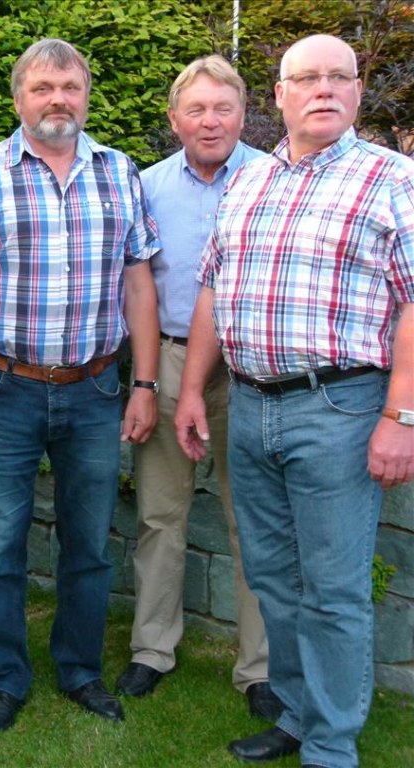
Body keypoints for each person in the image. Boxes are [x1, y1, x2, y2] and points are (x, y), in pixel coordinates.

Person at [174, 34, 414, 767]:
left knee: (334, 591)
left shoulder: (393, 179)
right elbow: (214, 288)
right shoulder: (251, 180)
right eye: (307, 78)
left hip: (339, 409)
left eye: (340, 76)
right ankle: (298, 714)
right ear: (279, 95)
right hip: (251, 406)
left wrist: (401, 415)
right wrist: (192, 391)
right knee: (274, 579)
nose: (324, 89)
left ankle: (331, 747)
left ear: (357, 91)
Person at [0, 38, 160, 732]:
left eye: (70, 87)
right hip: (5, 389)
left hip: (95, 391)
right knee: (1, 550)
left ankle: (81, 672)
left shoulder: (120, 172)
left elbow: (139, 284)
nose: (58, 99)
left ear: (86, 95)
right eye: (42, 88)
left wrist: (144, 384)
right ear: (18, 98)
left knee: (89, 546)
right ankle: (6, 679)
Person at [115, 55, 283, 722]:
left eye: (223, 108)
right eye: (197, 109)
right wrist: (144, 378)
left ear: (244, 114)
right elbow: (137, 287)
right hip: (170, 357)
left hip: (251, 370)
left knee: (256, 523)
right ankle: (152, 649)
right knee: (160, 515)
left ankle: (261, 669)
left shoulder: (275, 179)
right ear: (174, 118)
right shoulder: (147, 186)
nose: (210, 121)